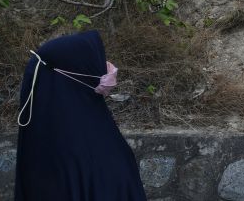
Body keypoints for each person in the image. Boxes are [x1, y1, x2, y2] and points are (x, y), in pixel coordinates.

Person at [15, 30, 147, 200]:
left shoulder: (40, 135)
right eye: (92, 62)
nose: (105, 69)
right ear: (72, 70)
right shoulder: (91, 144)